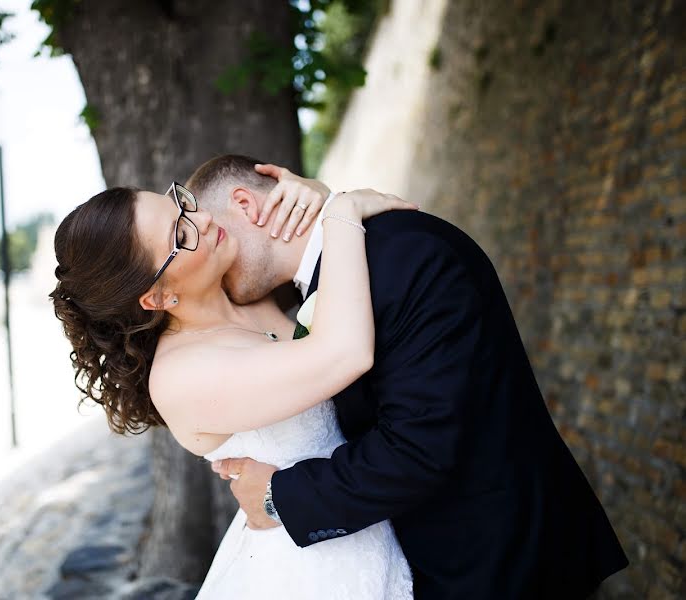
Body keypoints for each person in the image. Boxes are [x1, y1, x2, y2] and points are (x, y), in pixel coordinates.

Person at [197, 155, 630, 599]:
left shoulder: (402, 256)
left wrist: (277, 497)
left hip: (503, 564)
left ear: (247, 207)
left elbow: (419, 446)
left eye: (214, 237)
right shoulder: (348, 268)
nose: (209, 264)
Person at [49, 174, 419, 598]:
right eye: (183, 233)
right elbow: (345, 353)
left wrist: (314, 199)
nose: (204, 218)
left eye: (182, 207)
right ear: (156, 297)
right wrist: (341, 211)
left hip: (375, 507)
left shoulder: (248, 290)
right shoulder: (180, 378)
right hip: (312, 568)